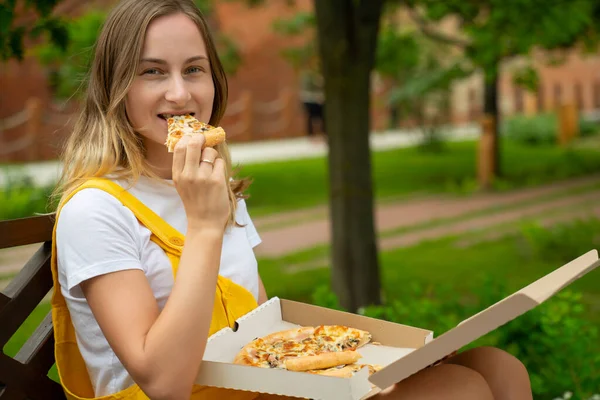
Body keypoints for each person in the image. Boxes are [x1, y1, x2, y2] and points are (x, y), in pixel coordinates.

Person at [50, 0, 534, 399]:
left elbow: (258, 335)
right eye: (152, 72)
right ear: (115, 88)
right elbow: (164, 383)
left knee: (500, 367)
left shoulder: (213, 183)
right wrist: (203, 226)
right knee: (461, 389)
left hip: (254, 390)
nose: (179, 93)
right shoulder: (95, 211)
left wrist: (369, 360)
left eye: (193, 69)